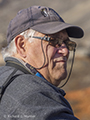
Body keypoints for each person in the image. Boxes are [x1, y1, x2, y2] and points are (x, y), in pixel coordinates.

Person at [0, 5, 84, 120]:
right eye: (54, 41)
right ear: (22, 45)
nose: (65, 51)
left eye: (67, 43)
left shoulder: (4, 78)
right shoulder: (33, 96)